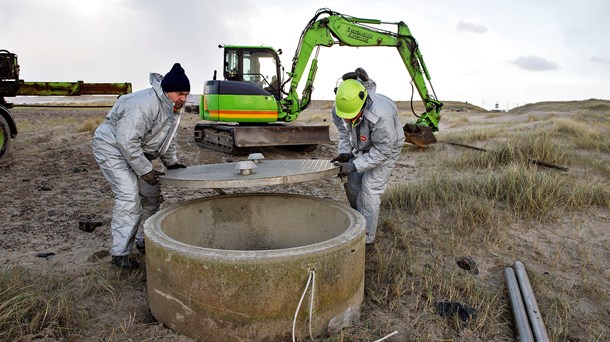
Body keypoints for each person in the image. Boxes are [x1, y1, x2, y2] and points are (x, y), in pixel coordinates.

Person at [92, 63, 190, 269]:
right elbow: (126, 141)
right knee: (129, 196)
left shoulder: (172, 108)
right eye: (179, 93)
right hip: (112, 149)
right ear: (166, 90)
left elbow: (167, 139)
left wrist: (171, 163)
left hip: (136, 152)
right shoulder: (143, 104)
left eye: (186, 94)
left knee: (151, 195)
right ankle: (120, 254)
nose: (183, 98)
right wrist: (145, 170)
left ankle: (143, 240)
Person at [331, 68, 405, 248]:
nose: (348, 120)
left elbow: (382, 151)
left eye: (352, 117)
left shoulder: (380, 115)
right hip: (362, 145)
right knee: (353, 184)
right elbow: (344, 132)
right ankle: (359, 221)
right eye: (345, 118)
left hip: (386, 147)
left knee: (370, 189)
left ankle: (367, 239)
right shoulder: (340, 109)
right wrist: (346, 152)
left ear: (363, 105)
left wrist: (355, 165)